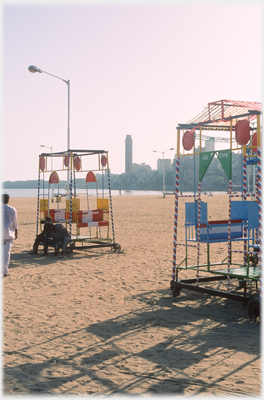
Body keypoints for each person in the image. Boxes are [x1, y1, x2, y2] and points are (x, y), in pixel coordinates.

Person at [2, 194, 18, 277]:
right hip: (9, 233)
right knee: (6, 254)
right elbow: (15, 222)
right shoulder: (12, 209)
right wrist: (16, 231)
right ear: (8, 200)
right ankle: (5, 271)